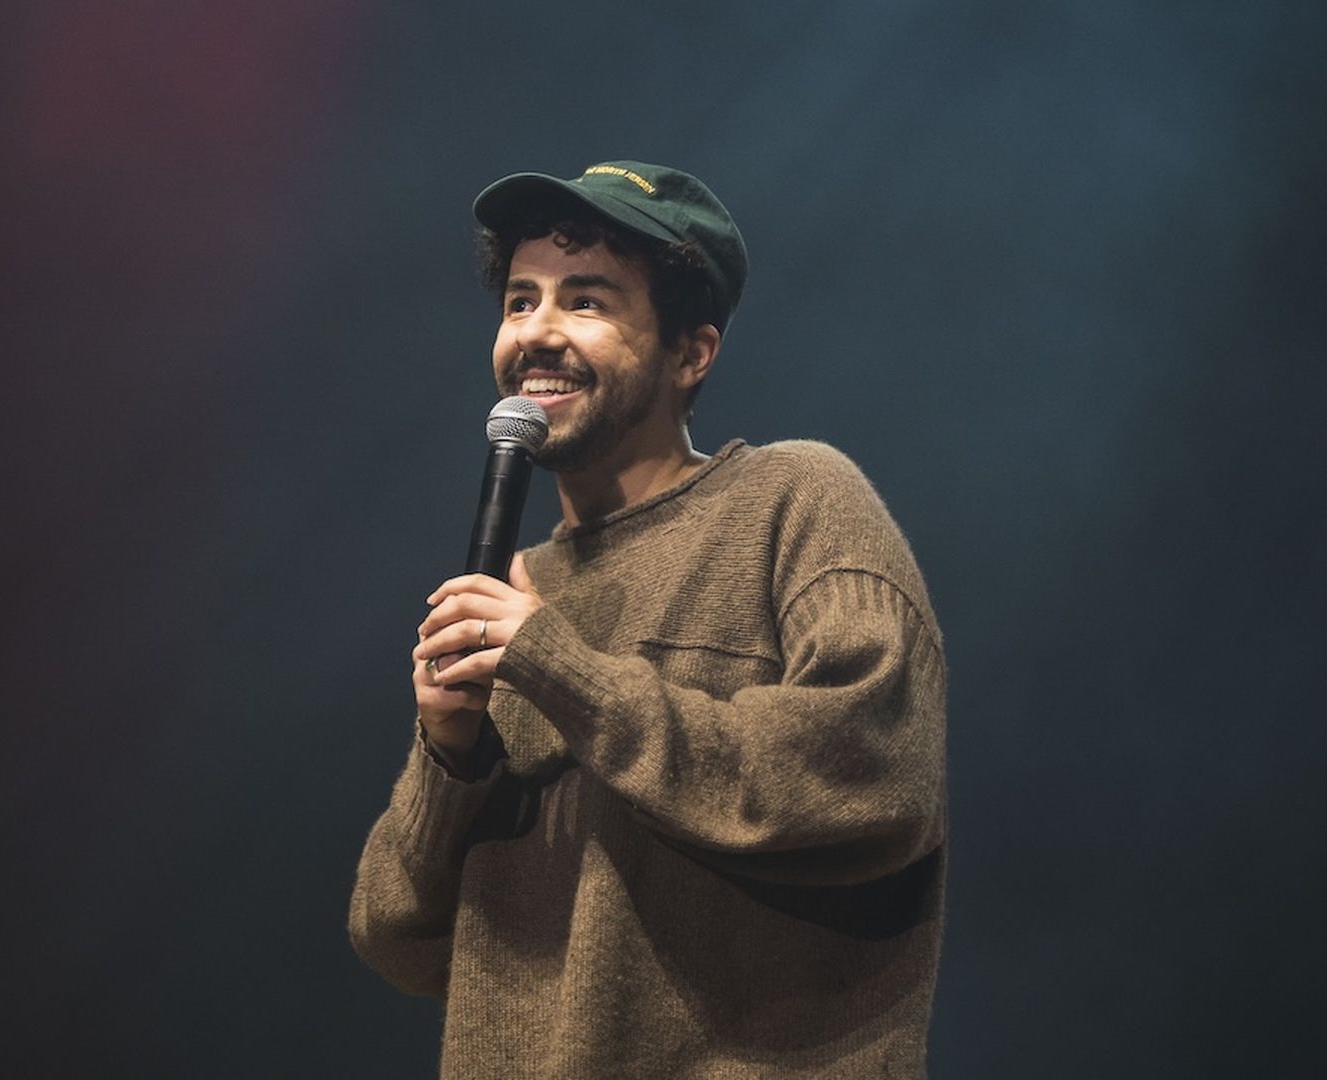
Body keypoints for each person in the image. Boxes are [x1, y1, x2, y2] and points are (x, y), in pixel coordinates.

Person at [349, 160, 948, 1077]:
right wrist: (451, 757)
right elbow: (397, 938)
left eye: (585, 301)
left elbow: (872, 777)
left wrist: (560, 668)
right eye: (519, 301)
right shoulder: (517, 593)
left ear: (691, 353)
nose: (536, 332)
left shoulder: (794, 500)